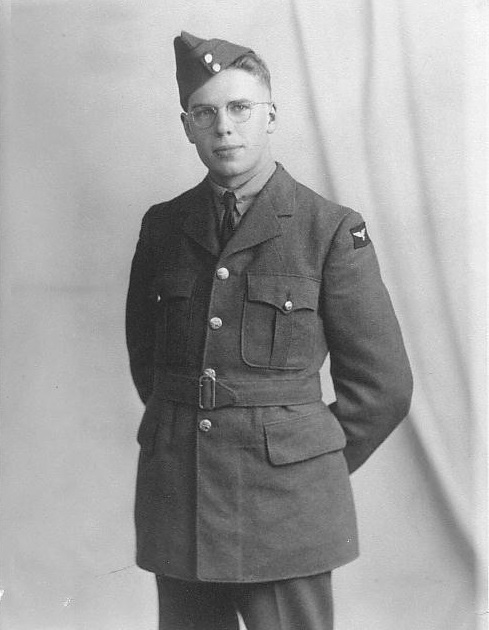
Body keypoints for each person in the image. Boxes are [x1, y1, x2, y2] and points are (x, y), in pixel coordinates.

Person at [126, 30, 413, 630]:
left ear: (271, 117)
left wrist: (303, 463)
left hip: (285, 512)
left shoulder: (328, 230)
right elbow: (150, 365)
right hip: (179, 498)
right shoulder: (163, 227)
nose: (224, 128)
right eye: (205, 113)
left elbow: (383, 387)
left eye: (240, 108)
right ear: (186, 127)